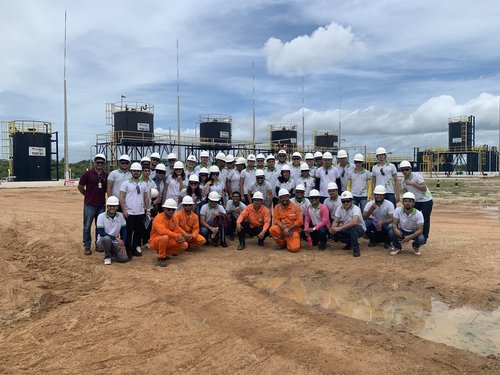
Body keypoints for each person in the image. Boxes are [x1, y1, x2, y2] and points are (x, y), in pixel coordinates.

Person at [119, 162, 151, 259]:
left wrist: (148, 209)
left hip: (140, 212)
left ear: (140, 172)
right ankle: (128, 249)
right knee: (129, 232)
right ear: (131, 171)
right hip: (130, 212)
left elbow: (146, 197)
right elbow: (121, 197)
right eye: (134, 171)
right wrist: (124, 210)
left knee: (138, 232)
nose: (136, 172)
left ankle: (135, 248)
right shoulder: (126, 184)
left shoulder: (144, 184)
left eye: (138, 171)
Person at [78, 153, 108, 255]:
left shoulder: (106, 175)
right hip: (89, 204)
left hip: (101, 205)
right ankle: (87, 246)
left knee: (99, 226)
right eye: (98, 162)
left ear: (104, 163)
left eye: (101, 162)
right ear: (94, 162)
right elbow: (80, 186)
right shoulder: (88, 174)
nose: (99, 164)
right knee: (87, 226)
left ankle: (98, 244)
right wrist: (86, 195)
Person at [399, 160, 433, 242]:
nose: (404, 171)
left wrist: (412, 183)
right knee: (413, 218)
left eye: (406, 169)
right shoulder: (403, 182)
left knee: (425, 218)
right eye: (402, 170)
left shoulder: (417, 176)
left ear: (410, 169)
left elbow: (424, 188)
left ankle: (424, 237)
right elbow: (406, 193)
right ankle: (413, 235)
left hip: (426, 200)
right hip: (415, 201)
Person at [150, 198, 188, 267]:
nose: (171, 211)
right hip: (155, 241)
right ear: (164, 209)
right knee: (164, 237)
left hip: (168, 240)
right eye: (169, 209)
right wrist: (177, 236)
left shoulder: (175, 219)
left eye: (173, 210)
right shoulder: (158, 218)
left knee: (184, 245)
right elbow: (163, 231)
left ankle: (165, 253)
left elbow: (176, 230)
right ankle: (161, 258)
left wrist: (180, 237)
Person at [330, 191, 366, 257]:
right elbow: (335, 221)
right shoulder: (339, 208)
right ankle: (349, 243)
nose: (345, 203)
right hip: (347, 227)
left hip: (360, 228)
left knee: (353, 228)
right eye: (343, 201)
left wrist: (339, 228)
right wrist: (333, 228)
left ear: (352, 200)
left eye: (348, 201)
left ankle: (356, 249)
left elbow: (354, 222)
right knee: (335, 232)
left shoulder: (356, 208)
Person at [388, 192, 425, 256]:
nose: (407, 203)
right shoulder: (397, 210)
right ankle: (397, 247)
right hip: (401, 230)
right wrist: (395, 229)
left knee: (421, 239)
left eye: (410, 201)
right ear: (403, 202)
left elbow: (420, 230)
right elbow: (394, 223)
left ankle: (416, 246)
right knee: (391, 230)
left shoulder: (418, 214)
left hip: (413, 232)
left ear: (414, 203)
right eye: (405, 201)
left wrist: (410, 237)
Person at [96, 196, 128, 265]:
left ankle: (111, 252)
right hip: (102, 242)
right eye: (110, 206)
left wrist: (123, 243)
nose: (112, 208)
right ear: (107, 206)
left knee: (124, 258)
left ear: (117, 207)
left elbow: (124, 230)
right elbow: (101, 233)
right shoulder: (101, 216)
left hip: (114, 242)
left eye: (114, 206)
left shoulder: (120, 216)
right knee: (106, 239)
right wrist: (116, 238)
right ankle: (107, 257)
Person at [269, 188, 303, 253]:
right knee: (272, 229)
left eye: (285, 197)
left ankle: (291, 240)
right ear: (279, 198)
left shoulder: (296, 207)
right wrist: (284, 228)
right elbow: (276, 220)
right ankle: (282, 243)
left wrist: (289, 229)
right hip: (283, 229)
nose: (284, 199)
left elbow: (300, 221)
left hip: (293, 230)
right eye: (282, 198)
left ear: (289, 197)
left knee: (294, 249)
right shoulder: (277, 207)